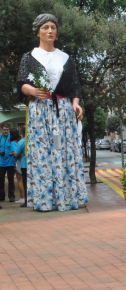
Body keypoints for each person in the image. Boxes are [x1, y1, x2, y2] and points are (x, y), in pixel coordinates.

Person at [16, 14, 88, 211]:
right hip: (40, 111)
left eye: (53, 27)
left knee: (64, 151)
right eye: (45, 27)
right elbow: (21, 83)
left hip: (63, 111)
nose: (50, 31)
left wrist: (76, 103)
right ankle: (45, 199)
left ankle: (67, 197)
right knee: (42, 155)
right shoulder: (29, 57)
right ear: (38, 31)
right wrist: (30, 90)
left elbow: (74, 86)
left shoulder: (65, 58)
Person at [0, 123, 16, 205]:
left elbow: (16, 149)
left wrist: (12, 153)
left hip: (10, 163)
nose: (5, 131)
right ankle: (2, 196)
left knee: (11, 180)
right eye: (4, 129)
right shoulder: (0, 137)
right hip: (1, 163)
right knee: (1, 180)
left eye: (7, 129)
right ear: (2, 129)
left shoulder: (11, 138)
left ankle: (11, 196)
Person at [13, 127, 28, 207]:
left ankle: (27, 200)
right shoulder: (34, 139)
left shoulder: (22, 141)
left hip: (24, 164)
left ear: (22, 133)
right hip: (34, 164)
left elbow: (16, 154)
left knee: (25, 183)